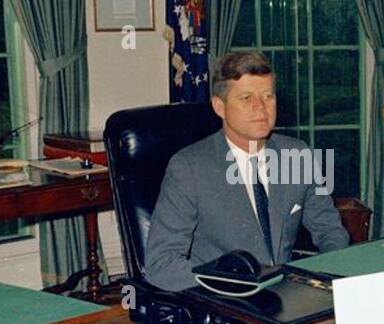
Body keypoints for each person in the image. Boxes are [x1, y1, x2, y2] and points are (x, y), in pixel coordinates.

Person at [143, 50, 350, 291]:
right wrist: (232, 284)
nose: (260, 108)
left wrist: (323, 281)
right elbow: (161, 264)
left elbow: (331, 232)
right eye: (246, 98)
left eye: (268, 96)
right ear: (219, 107)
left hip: (288, 295)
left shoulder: (298, 155)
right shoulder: (188, 168)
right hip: (223, 299)